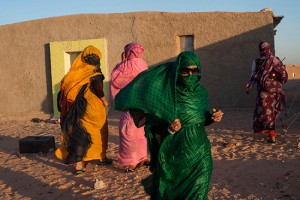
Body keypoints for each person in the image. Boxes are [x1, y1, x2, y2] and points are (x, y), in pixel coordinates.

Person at [114, 51, 223, 199]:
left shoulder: (201, 93)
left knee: (198, 192)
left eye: (194, 70)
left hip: (200, 154)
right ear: (178, 70)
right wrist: (170, 129)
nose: (190, 74)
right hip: (174, 155)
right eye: (185, 70)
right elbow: (153, 127)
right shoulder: (166, 95)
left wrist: (212, 118)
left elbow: (201, 120)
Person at [55, 45, 112, 175]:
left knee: (80, 134)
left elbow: (61, 92)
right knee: (99, 132)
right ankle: (101, 157)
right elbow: (98, 88)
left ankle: (79, 164)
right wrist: (104, 100)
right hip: (93, 107)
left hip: (76, 109)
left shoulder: (73, 74)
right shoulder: (95, 73)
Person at [110, 43, 149, 172]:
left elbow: (116, 80)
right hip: (142, 103)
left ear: (128, 51)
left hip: (129, 103)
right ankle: (143, 157)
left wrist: (120, 65)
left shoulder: (125, 66)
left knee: (128, 132)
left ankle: (131, 162)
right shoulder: (143, 64)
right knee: (140, 132)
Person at [245, 41, 288, 143]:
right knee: (271, 113)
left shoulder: (256, 62)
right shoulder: (275, 60)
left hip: (263, 92)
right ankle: (272, 135)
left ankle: (271, 135)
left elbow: (253, 77)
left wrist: (249, 86)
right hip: (275, 90)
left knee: (266, 114)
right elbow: (283, 75)